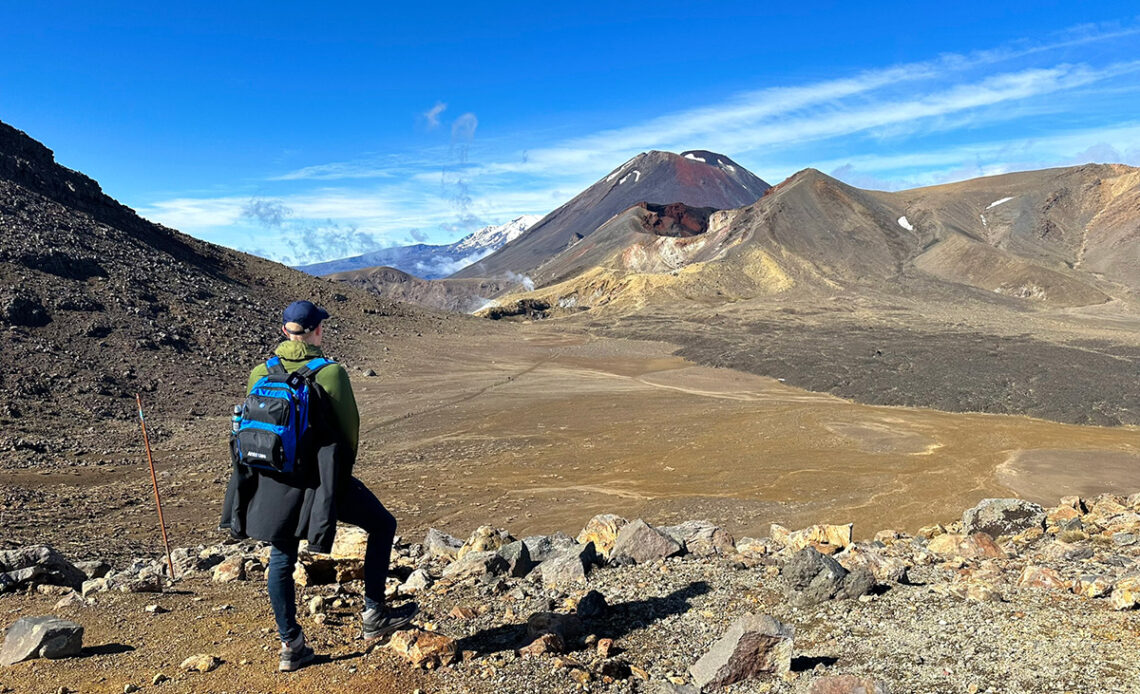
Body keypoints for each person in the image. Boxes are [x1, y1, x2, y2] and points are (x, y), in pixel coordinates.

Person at [221, 300, 418, 672]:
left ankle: (291, 645)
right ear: (317, 331)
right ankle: (374, 611)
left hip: (273, 481)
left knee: (282, 557)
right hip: (319, 483)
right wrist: (336, 481)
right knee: (382, 525)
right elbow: (349, 433)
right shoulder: (331, 373)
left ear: (284, 331)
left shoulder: (260, 372)